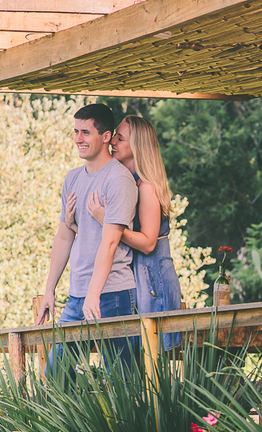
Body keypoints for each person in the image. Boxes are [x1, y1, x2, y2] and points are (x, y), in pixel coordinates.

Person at [38, 103, 139, 370]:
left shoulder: (119, 179)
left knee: (123, 381)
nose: (78, 139)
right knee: (57, 375)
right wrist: (50, 290)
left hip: (113, 293)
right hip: (77, 294)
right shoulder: (72, 179)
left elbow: (110, 242)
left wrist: (94, 294)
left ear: (106, 137)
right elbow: (63, 236)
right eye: (75, 132)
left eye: (85, 132)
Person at [69, 115, 183, 350]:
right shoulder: (127, 181)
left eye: (120, 139)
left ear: (137, 146)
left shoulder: (147, 187)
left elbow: (149, 243)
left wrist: (105, 220)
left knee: (154, 351)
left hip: (153, 276)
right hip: (138, 272)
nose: (113, 143)